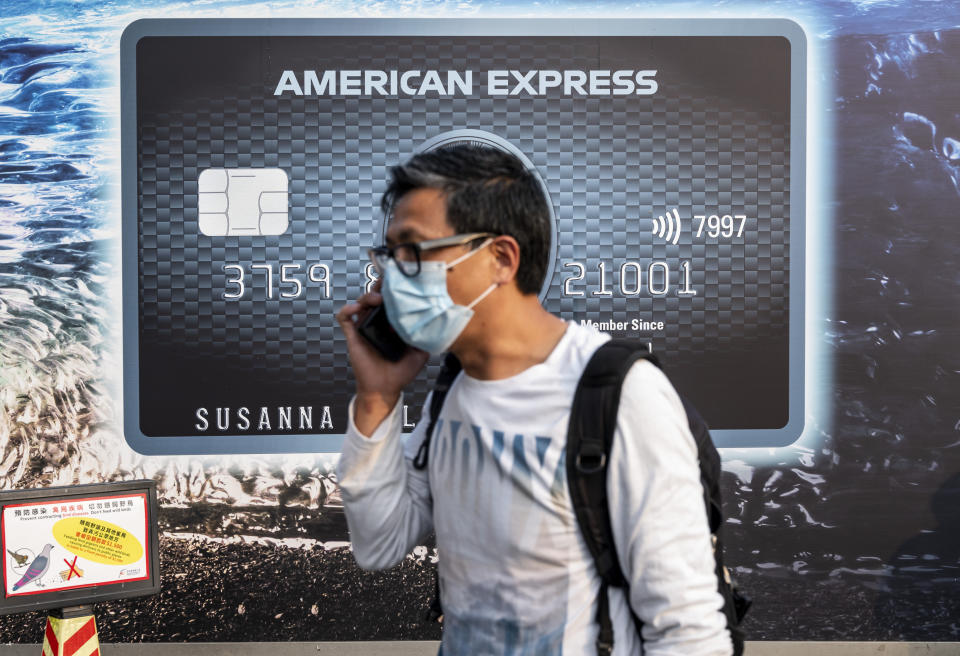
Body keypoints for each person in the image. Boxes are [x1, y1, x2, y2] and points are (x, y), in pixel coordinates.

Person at [335, 145, 732, 655]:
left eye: (415, 251)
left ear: (500, 258)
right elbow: (379, 545)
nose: (393, 274)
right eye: (390, 254)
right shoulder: (452, 390)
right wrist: (377, 398)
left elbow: (690, 632)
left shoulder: (618, 396)